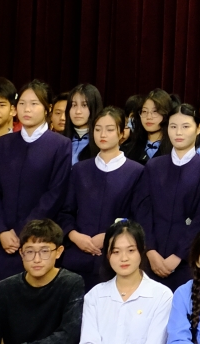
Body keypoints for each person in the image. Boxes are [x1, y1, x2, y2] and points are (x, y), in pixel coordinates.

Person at [0, 81, 71, 290]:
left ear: (47, 108)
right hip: (3, 242)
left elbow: (55, 193)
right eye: (22, 103)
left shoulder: (59, 144)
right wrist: (1, 230)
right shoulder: (4, 143)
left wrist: (23, 232)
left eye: (34, 104)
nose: (27, 109)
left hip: (39, 241)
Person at [58, 106, 142, 286]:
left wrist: (109, 236)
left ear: (122, 133)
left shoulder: (136, 172)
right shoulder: (80, 170)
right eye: (97, 129)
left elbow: (137, 216)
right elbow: (65, 211)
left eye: (110, 129)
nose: (102, 134)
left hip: (115, 258)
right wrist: (74, 236)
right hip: (76, 256)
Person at [132, 104, 200, 289]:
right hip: (152, 258)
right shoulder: (154, 166)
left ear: (198, 128)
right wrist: (150, 250)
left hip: (188, 260)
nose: (178, 132)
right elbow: (142, 210)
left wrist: (178, 255)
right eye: (173, 126)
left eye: (185, 126)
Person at [63, 84, 103, 165]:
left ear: (94, 107)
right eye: (74, 105)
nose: (78, 111)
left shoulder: (102, 143)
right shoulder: (60, 141)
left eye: (84, 105)